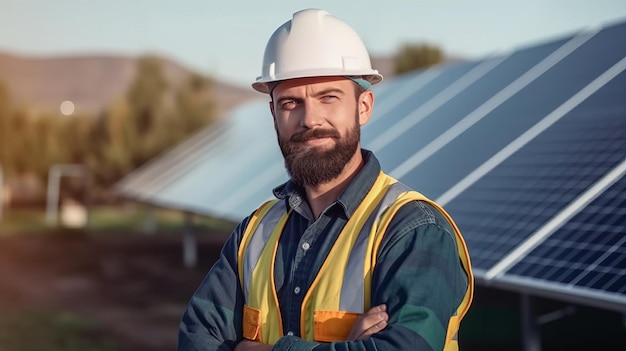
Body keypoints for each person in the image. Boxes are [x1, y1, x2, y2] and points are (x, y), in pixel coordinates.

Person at [178, 8, 473, 351]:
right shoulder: (254, 233)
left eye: (328, 97)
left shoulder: (413, 229)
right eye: (291, 102)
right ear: (273, 113)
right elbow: (195, 340)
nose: (309, 119)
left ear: (364, 106)